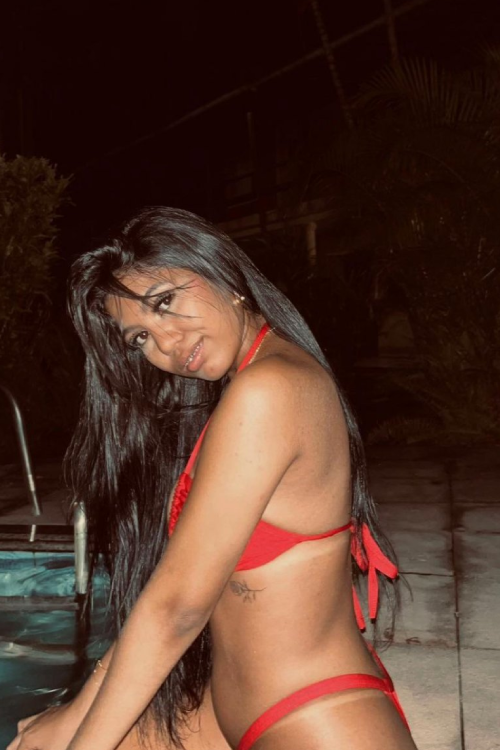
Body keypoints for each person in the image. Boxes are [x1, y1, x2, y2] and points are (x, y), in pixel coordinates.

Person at [8, 207, 417, 750]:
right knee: (36, 739)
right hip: (223, 717)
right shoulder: (249, 383)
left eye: (164, 302)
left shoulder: (270, 390)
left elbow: (178, 609)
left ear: (217, 270)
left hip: (316, 718)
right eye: (140, 337)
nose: (166, 344)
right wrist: (74, 714)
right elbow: (168, 595)